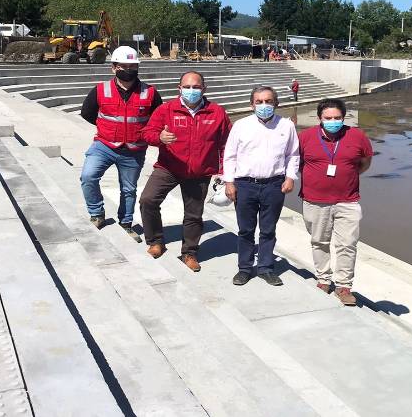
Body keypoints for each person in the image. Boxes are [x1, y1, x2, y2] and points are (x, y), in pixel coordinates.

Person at [139, 71, 231, 272]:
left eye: (196, 87)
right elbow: (147, 133)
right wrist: (159, 138)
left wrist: (224, 173)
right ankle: (156, 241)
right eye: (187, 87)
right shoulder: (166, 110)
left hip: (200, 172)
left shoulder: (217, 113)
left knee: (194, 215)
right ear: (179, 89)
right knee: (148, 200)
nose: (192, 91)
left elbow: (226, 145)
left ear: (204, 89)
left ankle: (189, 252)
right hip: (169, 167)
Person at [80, 46, 163, 237]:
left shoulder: (150, 93)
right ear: (113, 68)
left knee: (129, 189)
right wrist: (106, 128)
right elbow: (87, 113)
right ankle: (97, 213)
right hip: (104, 145)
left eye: (132, 66)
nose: (128, 70)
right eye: (123, 66)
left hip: (134, 149)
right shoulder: (101, 90)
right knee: (88, 176)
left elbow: (158, 119)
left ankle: (126, 222)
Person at [298, 98, 373, 306]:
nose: (333, 121)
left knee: (347, 244)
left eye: (337, 118)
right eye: (328, 118)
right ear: (319, 118)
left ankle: (344, 286)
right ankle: (323, 279)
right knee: (319, 241)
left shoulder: (357, 136)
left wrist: (348, 175)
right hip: (314, 200)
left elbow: (365, 162)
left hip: (347, 201)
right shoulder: (305, 137)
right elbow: (298, 163)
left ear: (344, 117)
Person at [222, 86, 299, 286]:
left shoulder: (286, 126)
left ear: (276, 103)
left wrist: (290, 177)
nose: (264, 105)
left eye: (268, 101)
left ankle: (265, 267)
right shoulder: (240, 125)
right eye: (259, 101)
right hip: (245, 185)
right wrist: (229, 181)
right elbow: (229, 156)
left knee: (268, 229)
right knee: (246, 230)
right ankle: (245, 269)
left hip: (274, 185)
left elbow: (293, 155)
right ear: (252, 104)